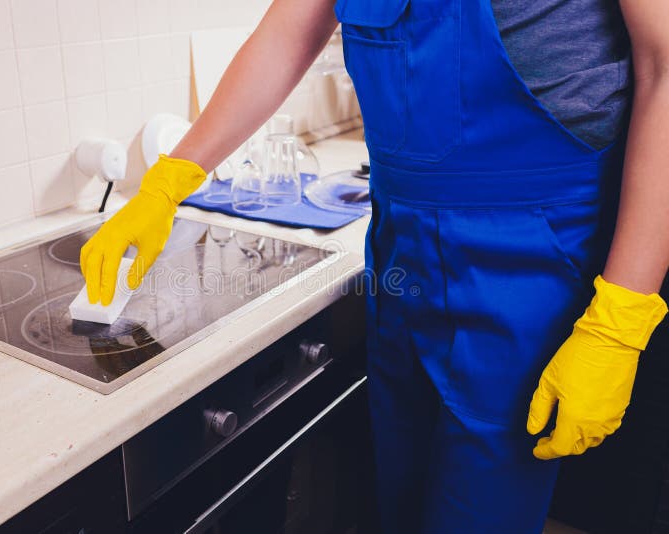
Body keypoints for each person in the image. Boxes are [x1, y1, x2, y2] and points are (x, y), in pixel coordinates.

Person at [80, 0, 669, 531]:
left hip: (534, 250)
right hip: (402, 248)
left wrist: (621, 318)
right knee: (401, 499)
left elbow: (664, 64)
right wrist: (170, 179)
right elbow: (291, 29)